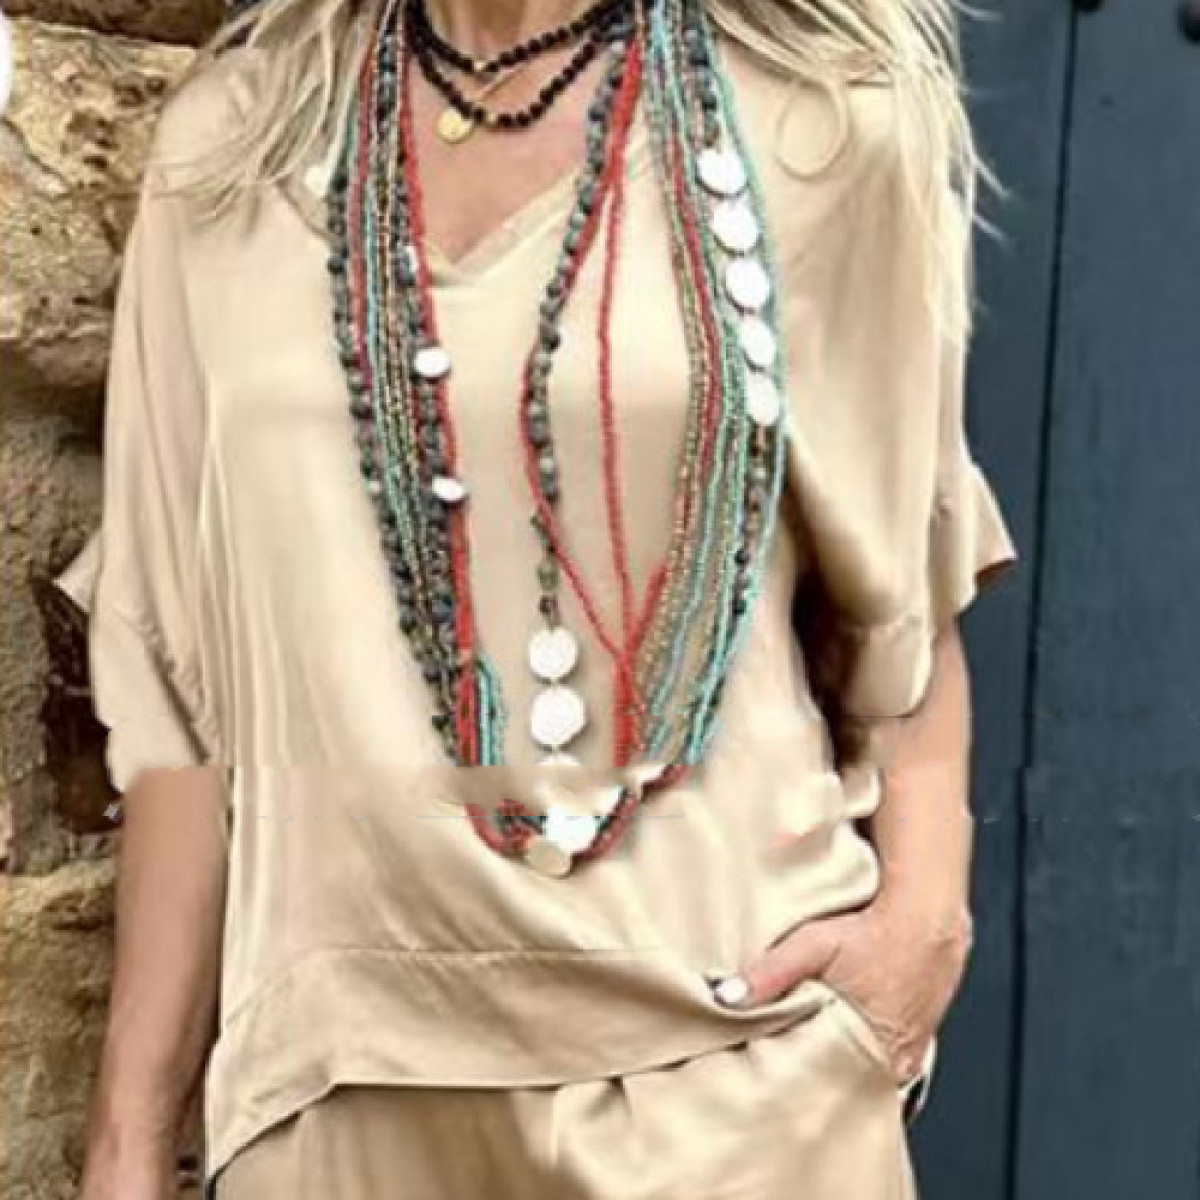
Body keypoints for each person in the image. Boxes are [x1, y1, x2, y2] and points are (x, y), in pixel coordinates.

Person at [58, 0, 1019, 1196]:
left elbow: (901, 601)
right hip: (337, 1091)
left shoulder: (821, 124)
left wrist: (919, 937)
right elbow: (179, 697)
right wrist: (128, 1139)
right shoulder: (235, 146)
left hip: (730, 1080)